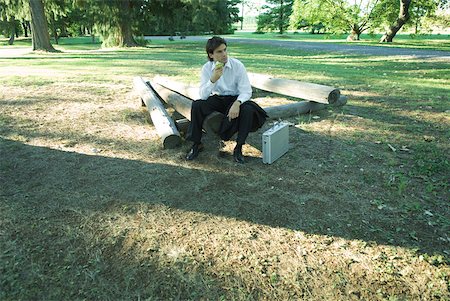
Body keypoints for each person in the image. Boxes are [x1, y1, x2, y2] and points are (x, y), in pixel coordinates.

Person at [185, 36, 267, 164]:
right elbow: (202, 95)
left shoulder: (237, 66)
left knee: (248, 109)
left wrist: (237, 103)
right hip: (218, 98)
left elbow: (246, 91)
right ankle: (196, 143)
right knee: (197, 105)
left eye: (225, 50)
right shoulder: (207, 68)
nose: (224, 54)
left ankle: (239, 147)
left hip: (235, 98)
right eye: (219, 52)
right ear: (211, 55)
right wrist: (213, 79)